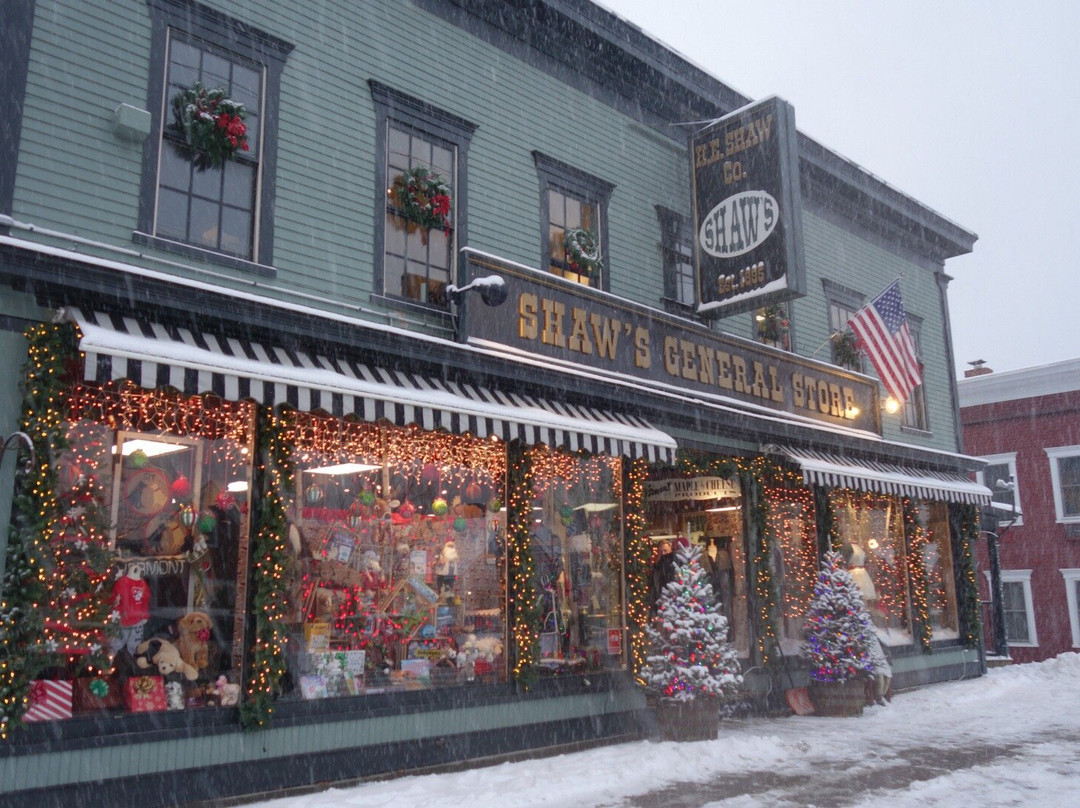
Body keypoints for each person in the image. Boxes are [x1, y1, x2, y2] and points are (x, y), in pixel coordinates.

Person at [648, 539, 677, 613]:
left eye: (665, 550)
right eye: (661, 552)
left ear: (670, 550)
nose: (663, 554)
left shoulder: (675, 564)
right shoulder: (656, 566)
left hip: (672, 598)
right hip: (660, 598)